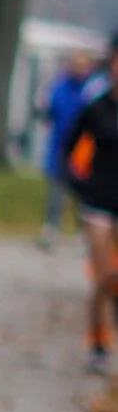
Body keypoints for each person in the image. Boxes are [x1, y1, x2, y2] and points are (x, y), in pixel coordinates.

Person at [64, 36, 118, 373]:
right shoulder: (96, 108)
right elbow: (71, 148)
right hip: (97, 202)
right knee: (104, 275)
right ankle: (97, 339)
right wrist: (79, 184)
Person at [39, 49, 97, 248]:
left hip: (84, 148)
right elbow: (49, 109)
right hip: (62, 144)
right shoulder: (60, 87)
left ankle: (83, 230)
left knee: (82, 191)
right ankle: (52, 227)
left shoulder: (91, 90)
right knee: (57, 189)